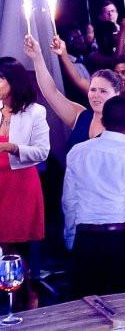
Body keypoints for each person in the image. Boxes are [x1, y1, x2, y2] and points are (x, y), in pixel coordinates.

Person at [62, 96, 125, 297]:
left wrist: (71, 239)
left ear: (103, 121)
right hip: (122, 242)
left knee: (85, 308)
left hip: (85, 239)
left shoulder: (77, 153)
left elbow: (69, 202)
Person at [23, 35, 125, 154]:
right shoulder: (80, 115)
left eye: (103, 91)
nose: (96, 95)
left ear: (116, 94)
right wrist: (37, 57)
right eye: (93, 89)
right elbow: (51, 92)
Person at [0, 57, 49, 295]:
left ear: (14, 81)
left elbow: (42, 151)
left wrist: (13, 148)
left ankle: (26, 294)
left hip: (20, 184)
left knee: (16, 245)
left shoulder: (35, 112)